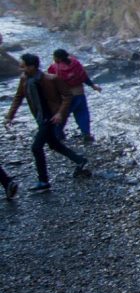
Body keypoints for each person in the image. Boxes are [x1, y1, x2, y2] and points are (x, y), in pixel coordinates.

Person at [4, 53, 90, 191]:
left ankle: (43, 181)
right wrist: (9, 116)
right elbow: (18, 97)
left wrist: (60, 113)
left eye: (23, 67)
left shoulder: (51, 79)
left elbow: (67, 96)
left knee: (36, 147)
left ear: (32, 67)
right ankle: (80, 160)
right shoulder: (24, 79)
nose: (21, 69)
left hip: (50, 118)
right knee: (54, 144)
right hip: (40, 117)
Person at [48, 48, 101, 143]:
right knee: (82, 114)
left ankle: (58, 134)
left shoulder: (55, 67)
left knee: (62, 115)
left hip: (66, 97)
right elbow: (83, 76)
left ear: (57, 58)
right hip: (79, 93)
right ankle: (86, 133)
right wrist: (93, 85)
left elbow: (51, 82)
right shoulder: (75, 63)